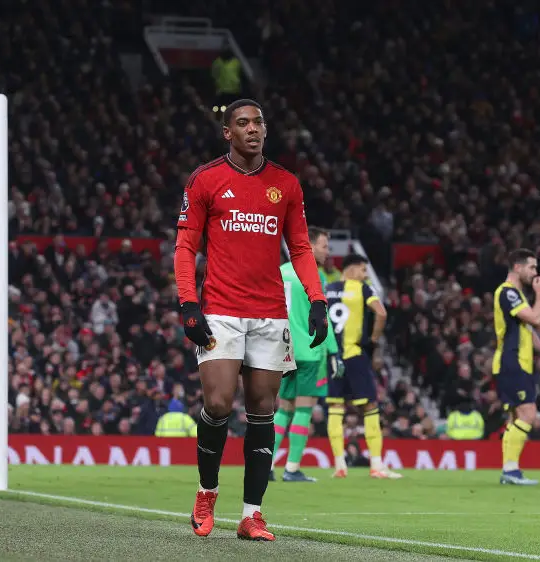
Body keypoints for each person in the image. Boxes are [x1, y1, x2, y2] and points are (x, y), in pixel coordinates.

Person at [175, 98, 329, 542]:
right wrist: (189, 303)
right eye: (242, 123)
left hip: (270, 314)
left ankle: (252, 515)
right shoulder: (205, 180)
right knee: (220, 404)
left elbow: (300, 247)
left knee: (264, 409)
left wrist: (315, 299)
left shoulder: (287, 184)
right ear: (228, 132)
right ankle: (207, 493)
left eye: (258, 121)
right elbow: (186, 247)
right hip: (221, 310)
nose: (252, 129)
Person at [270, 226, 343, 483]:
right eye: (324, 245)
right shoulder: (314, 276)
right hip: (310, 351)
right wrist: (334, 352)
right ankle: (291, 468)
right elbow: (322, 319)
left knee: (284, 408)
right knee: (303, 410)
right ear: (309, 246)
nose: (327, 251)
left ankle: (267, 465)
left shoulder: (280, 272)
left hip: (284, 351)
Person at [324, 254, 399, 479]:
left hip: (333, 356)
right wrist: (373, 341)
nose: (365, 275)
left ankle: (339, 466)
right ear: (353, 269)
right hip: (355, 354)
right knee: (370, 406)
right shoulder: (362, 288)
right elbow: (381, 313)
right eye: (363, 270)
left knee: (336, 408)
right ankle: (376, 466)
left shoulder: (327, 288)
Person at [492, 249, 540, 486]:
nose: (535, 273)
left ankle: (510, 470)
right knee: (528, 414)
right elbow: (536, 320)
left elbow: (528, 332)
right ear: (517, 267)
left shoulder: (517, 295)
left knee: (515, 419)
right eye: (532, 267)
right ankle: (510, 471)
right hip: (511, 361)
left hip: (517, 362)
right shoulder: (508, 292)